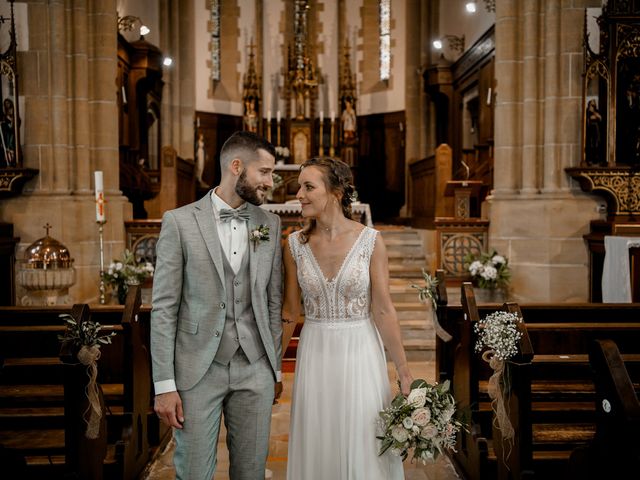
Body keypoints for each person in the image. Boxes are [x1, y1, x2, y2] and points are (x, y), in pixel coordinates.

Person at [151, 131, 283, 480]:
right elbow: (163, 308)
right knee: (193, 473)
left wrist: (275, 369)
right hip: (197, 371)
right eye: (265, 172)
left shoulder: (269, 223)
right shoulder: (179, 222)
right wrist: (164, 384)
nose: (271, 182)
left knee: (251, 472)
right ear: (236, 167)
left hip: (255, 370)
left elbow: (273, 303)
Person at [283, 157, 412, 479]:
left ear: (336, 192)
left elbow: (383, 310)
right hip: (315, 352)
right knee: (319, 433)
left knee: (364, 434)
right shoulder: (294, 245)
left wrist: (405, 373)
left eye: (308, 187)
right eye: (300, 186)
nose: (299, 194)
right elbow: (290, 312)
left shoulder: (370, 241)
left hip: (360, 352)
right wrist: (272, 365)